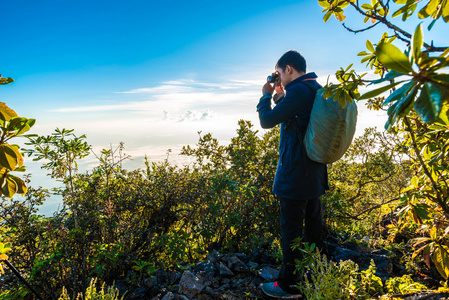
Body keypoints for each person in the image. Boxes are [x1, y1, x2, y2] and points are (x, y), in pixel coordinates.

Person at [257, 50, 329, 299]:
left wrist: (265, 96)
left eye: (278, 72)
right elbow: (296, 117)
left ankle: (288, 286)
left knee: (291, 232)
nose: (277, 76)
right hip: (313, 173)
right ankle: (318, 275)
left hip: (295, 175)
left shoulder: (299, 91)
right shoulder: (312, 87)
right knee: (313, 230)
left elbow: (267, 121)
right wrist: (279, 96)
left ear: (287, 69)